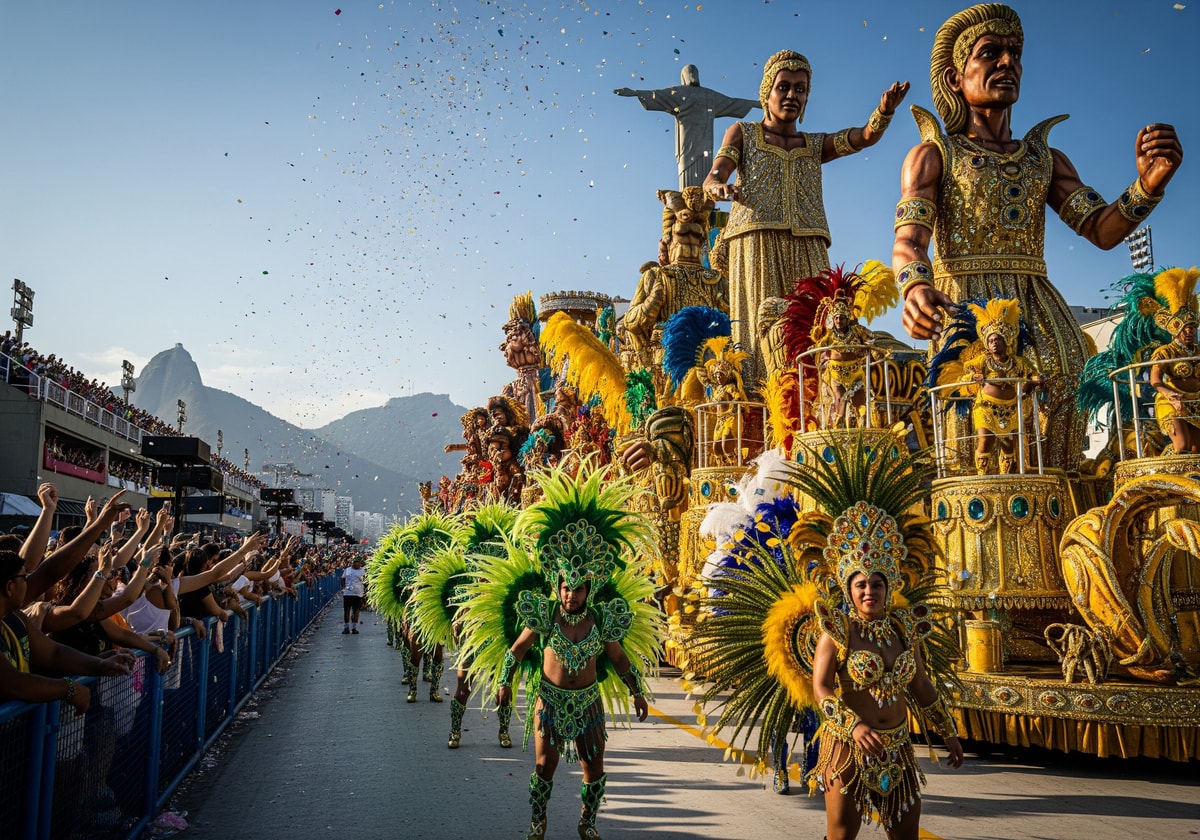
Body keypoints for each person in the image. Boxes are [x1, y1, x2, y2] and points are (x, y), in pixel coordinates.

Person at [893, 3, 1183, 472]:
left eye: (1015, 54)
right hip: (966, 312)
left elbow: (1100, 229)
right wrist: (914, 285)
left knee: (1061, 401)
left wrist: (1148, 186)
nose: (1008, 64)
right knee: (971, 424)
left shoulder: (1045, 159)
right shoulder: (933, 154)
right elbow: (910, 239)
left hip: (1041, 310)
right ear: (954, 79)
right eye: (991, 53)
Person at [704, 50, 908, 387]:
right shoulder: (743, 133)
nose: (791, 96)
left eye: (800, 89)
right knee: (762, 323)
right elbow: (716, 173)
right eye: (783, 87)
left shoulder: (813, 144)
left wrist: (883, 112)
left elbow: (860, 138)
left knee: (819, 322)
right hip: (757, 240)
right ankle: (761, 401)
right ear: (766, 92)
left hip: (809, 241)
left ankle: (819, 394)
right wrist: (717, 188)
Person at [615, 64, 760, 190]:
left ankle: (705, 207)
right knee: (687, 170)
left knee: (706, 170)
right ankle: (688, 203)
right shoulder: (680, 92)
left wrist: (755, 103)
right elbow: (658, 95)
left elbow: (731, 102)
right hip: (687, 143)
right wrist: (635, 93)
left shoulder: (708, 95)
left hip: (704, 144)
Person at [1146, 267, 1200, 454]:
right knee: (1182, 446)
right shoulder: (1166, 351)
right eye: (1185, 327)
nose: (1190, 331)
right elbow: (1155, 380)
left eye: (1193, 327)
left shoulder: (1198, 350)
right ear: (1175, 328)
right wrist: (1169, 395)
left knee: (1196, 450)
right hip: (1171, 401)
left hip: (1197, 403)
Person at [341, 556, 366, 634]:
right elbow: (342, 578)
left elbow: (366, 582)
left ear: (360, 564)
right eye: (355, 562)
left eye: (358, 563)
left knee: (356, 611)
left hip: (358, 594)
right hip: (348, 593)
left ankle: (354, 627)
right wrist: (343, 587)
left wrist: (365, 592)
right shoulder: (347, 570)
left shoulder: (363, 571)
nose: (356, 564)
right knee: (347, 610)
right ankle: (346, 627)